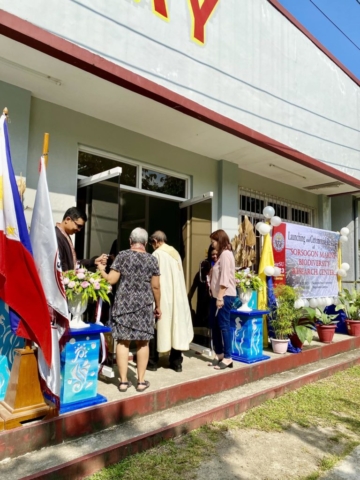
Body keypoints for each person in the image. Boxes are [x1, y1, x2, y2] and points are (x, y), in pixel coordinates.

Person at [97, 227, 161, 393]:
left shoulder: (123, 256)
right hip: (145, 305)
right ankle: (140, 381)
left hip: (123, 305)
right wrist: (158, 306)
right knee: (143, 342)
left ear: (130, 241)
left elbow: (111, 280)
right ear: (146, 243)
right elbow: (155, 286)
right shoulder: (152, 260)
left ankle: (123, 382)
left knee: (123, 342)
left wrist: (101, 269)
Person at [148, 230, 194, 372]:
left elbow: (154, 280)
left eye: (152, 243)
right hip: (177, 297)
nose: (152, 246)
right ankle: (176, 362)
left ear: (155, 241)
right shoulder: (175, 253)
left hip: (163, 297)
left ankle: (152, 361)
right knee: (176, 328)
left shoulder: (157, 254)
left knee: (157, 327)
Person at [209, 229, 236, 370]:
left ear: (219, 240)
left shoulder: (226, 254)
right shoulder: (222, 255)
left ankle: (228, 357)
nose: (212, 244)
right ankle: (219, 353)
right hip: (217, 296)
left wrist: (220, 297)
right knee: (214, 323)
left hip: (224, 295)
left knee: (223, 325)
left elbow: (225, 278)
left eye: (213, 241)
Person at [55, 207, 108, 272]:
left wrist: (93, 261)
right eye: (78, 226)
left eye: (81, 227)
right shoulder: (56, 236)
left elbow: (73, 264)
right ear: (67, 219)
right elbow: (60, 265)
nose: (79, 230)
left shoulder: (64, 235)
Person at [188, 246, 218, 328]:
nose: (215, 256)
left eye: (216, 254)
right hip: (204, 301)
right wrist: (189, 298)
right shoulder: (204, 268)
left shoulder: (222, 265)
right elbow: (194, 286)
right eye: (212, 254)